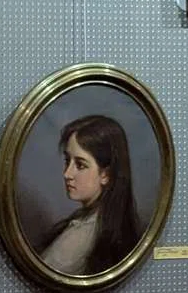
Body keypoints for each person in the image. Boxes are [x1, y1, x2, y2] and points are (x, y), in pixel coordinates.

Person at [39, 115, 144, 276]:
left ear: (105, 175)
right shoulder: (89, 220)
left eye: (80, 165)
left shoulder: (82, 235)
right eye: (67, 161)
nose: (67, 174)